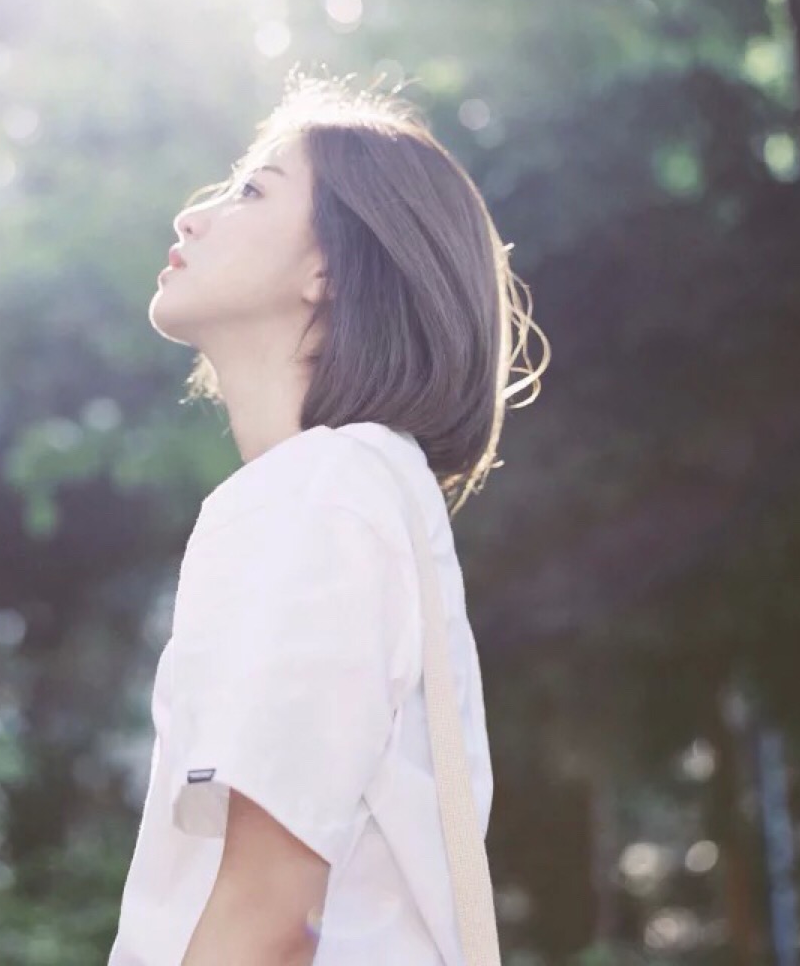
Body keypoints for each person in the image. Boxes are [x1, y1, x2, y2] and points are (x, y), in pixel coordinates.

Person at [107, 70, 550, 965]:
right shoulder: (348, 491)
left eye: (250, 190)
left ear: (331, 269)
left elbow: (268, 915)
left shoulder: (328, 491)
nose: (191, 217)